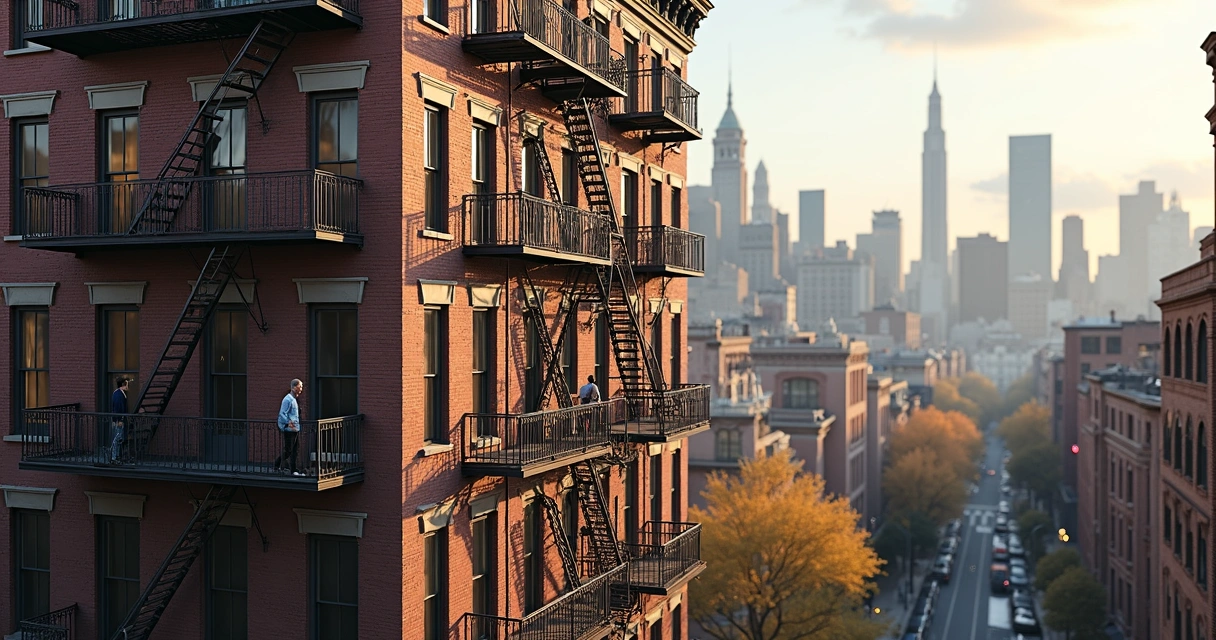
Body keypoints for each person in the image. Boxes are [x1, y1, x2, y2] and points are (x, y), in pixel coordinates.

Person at [275, 379, 305, 477]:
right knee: (288, 450)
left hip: (295, 429)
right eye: (300, 387)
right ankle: (277, 465)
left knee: (295, 450)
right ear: (293, 387)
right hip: (289, 430)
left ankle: (294, 470)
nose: (301, 389)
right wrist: (288, 423)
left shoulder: (294, 399)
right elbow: (282, 414)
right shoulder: (287, 399)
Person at [109, 377, 129, 464]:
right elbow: (117, 408)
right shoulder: (119, 395)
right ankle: (114, 457)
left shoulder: (118, 393)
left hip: (118, 419)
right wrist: (119, 419)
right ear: (123, 385)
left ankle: (116, 456)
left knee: (118, 438)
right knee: (117, 438)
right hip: (119, 420)